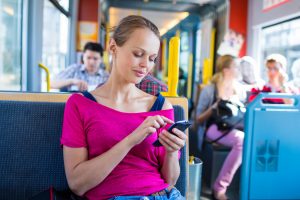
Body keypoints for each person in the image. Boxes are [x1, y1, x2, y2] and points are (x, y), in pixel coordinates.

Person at [60, 15, 187, 200]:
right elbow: (77, 184)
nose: (146, 65)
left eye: (152, 58)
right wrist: (132, 139)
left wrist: (171, 151)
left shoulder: (160, 106)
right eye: (138, 54)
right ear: (113, 47)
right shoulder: (80, 105)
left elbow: (171, 181)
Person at [196, 55, 245, 200]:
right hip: (213, 127)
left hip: (234, 126)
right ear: (226, 70)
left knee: (246, 138)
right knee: (241, 141)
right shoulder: (210, 90)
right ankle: (219, 188)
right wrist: (214, 107)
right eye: (236, 66)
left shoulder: (240, 89)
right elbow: (198, 119)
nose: (239, 70)